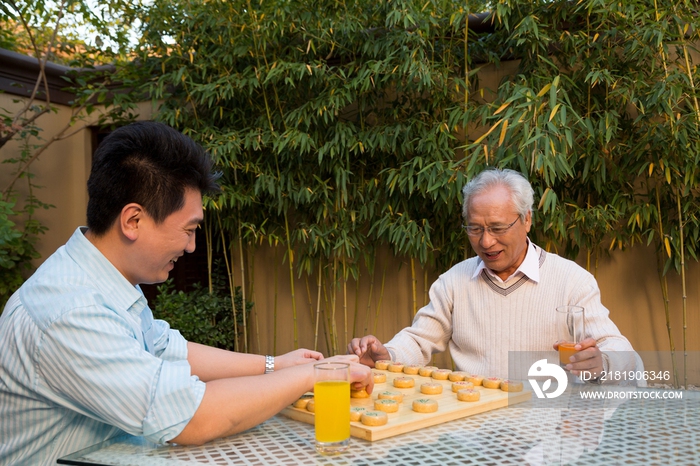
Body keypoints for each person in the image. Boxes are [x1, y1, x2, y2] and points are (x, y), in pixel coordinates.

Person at [0, 121, 373, 466]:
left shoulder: (100, 279)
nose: (192, 246)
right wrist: (320, 374)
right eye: (189, 229)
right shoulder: (70, 311)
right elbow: (192, 417)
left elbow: (166, 349)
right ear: (133, 220)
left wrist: (274, 364)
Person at [349, 168, 638, 381]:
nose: (486, 242)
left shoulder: (572, 280)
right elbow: (418, 339)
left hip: (549, 433)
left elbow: (618, 347)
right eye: (475, 228)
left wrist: (604, 362)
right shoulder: (453, 282)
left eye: (498, 228)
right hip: (476, 429)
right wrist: (387, 354)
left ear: (526, 220)